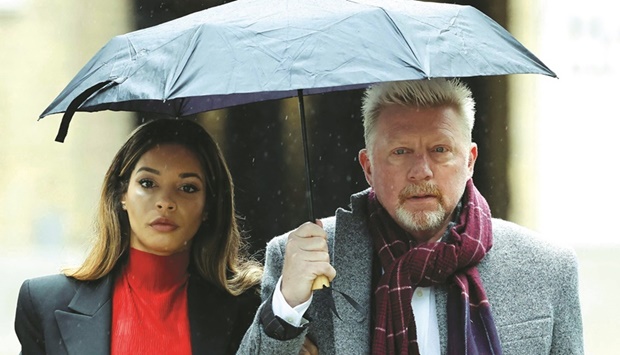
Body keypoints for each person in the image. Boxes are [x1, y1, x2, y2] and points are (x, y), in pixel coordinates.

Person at [238, 78, 584, 354]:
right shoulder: (302, 259)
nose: (421, 172)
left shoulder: (547, 269)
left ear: (470, 160)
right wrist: (287, 307)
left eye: (440, 150)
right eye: (401, 152)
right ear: (368, 167)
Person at [15, 118, 263, 355]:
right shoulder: (45, 302)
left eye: (187, 187)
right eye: (148, 183)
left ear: (208, 206)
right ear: (121, 194)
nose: (165, 202)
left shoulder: (250, 309)